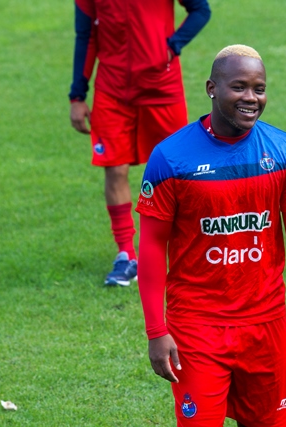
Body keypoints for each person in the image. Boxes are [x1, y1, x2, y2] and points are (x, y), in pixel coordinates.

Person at [136, 45, 286, 426]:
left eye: (259, 88)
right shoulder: (171, 158)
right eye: (239, 87)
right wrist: (157, 330)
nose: (251, 98)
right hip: (197, 327)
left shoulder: (285, 153)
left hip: (265, 325)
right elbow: (152, 245)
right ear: (212, 88)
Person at [68, 0, 211, 286]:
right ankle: (126, 255)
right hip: (112, 89)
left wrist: (171, 47)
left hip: (162, 86)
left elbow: (201, 9)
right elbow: (86, 35)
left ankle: (189, 249)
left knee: (178, 172)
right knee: (114, 169)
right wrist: (77, 95)